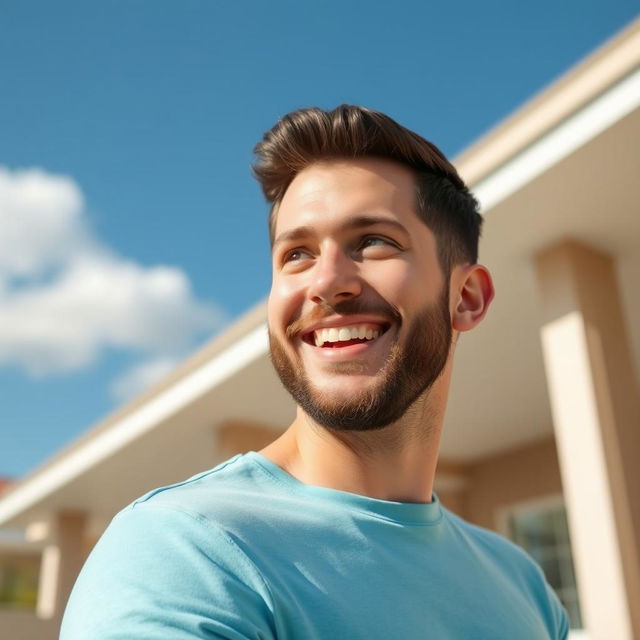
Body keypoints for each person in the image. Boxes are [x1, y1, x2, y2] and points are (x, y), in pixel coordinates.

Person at [61, 105, 569, 639]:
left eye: (374, 241)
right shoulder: (185, 551)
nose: (326, 282)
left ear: (465, 297)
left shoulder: (523, 587)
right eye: (296, 254)